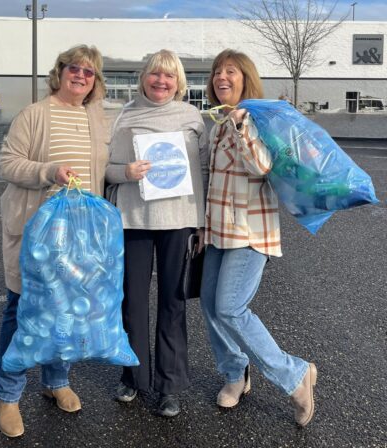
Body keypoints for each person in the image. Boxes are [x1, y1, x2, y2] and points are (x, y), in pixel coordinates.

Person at [0, 44, 110, 437]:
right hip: (36, 233)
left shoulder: (97, 119)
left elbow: (103, 170)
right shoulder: (34, 114)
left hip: (78, 236)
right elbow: (7, 163)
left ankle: (56, 381)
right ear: (60, 72)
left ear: (95, 81)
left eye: (89, 72)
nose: (80, 75)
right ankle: (8, 396)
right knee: (21, 313)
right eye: (74, 68)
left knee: (66, 312)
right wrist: (49, 171)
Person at [200, 49, 317, 427]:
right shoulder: (218, 123)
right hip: (218, 232)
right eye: (217, 72)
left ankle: (295, 375)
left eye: (230, 71)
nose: (221, 77)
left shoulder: (256, 118)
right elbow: (212, 180)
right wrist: (202, 228)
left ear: (245, 78)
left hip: (251, 231)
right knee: (210, 305)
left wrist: (241, 125)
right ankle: (236, 374)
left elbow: (261, 166)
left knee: (230, 308)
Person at [105, 49, 209, 417]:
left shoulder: (192, 117)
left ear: (179, 82)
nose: (161, 81)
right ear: (143, 78)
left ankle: (169, 385)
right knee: (132, 303)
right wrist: (125, 172)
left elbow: (204, 171)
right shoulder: (124, 116)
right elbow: (105, 168)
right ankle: (133, 376)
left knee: (173, 304)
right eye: (155, 74)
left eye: (169, 76)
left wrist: (202, 221)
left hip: (179, 221)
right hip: (133, 220)